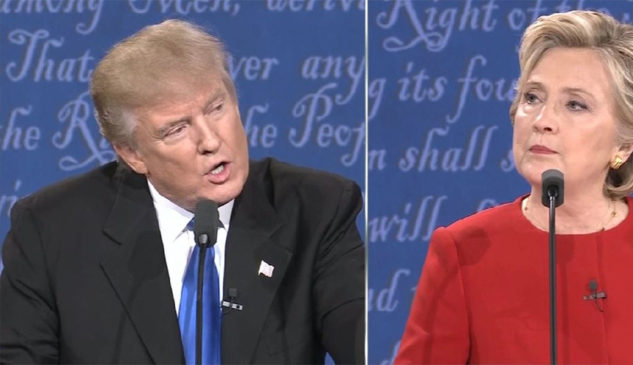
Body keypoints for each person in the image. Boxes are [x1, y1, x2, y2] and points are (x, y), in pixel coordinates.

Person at [0, 20, 364, 364]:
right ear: (132, 153)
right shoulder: (52, 230)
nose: (210, 140)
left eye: (216, 108)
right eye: (176, 129)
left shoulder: (316, 210)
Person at [395, 10, 633, 364]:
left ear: (626, 144)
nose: (542, 121)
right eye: (532, 98)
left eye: (575, 104)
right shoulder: (464, 251)